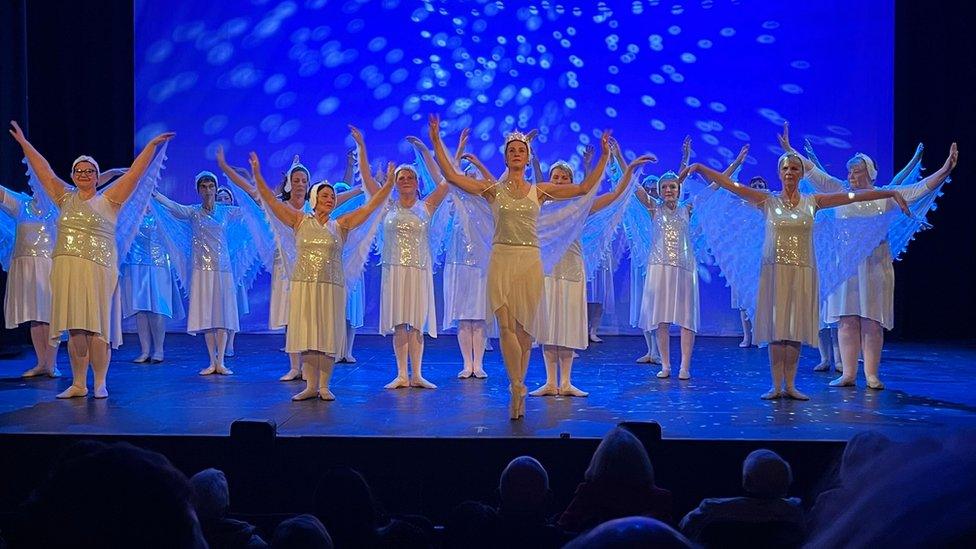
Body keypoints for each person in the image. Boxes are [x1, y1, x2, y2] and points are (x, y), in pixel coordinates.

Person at [690, 138, 915, 400]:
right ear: (779, 173)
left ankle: (791, 385)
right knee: (777, 331)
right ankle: (776, 385)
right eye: (785, 169)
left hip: (802, 273)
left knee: (794, 329)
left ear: (800, 174)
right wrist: (699, 168)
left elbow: (853, 195)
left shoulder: (813, 201)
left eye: (794, 169)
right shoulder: (767, 201)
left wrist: (888, 192)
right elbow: (732, 186)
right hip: (774, 273)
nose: (789, 173)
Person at [429, 115, 612, 419]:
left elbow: (582, 189)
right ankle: (517, 387)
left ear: (528, 157)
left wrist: (604, 156)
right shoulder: (492, 190)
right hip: (502, 257)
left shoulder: (539, 191)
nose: (516, 154)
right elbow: (451, 175)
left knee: (525, 332)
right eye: (511, 150)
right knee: (505, 326)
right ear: (505, 157)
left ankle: (520, 384)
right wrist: (436, 139)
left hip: (529, 260)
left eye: (521, 150)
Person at [781, 128, 958, 390]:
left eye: (857, 171)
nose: (851, 175)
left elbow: (918, 189)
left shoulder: (885, 195)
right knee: (846, 319)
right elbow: (812, 172)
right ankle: (849, 373)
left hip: (874, 268)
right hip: (846, 269)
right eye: (849, 171)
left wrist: (945, 169)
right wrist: (790, 150)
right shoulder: (838, 190)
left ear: (869, 173)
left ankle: (872, 374)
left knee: (872, 321)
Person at [9, 120, 173, 399]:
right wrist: (25, 145)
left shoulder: (110, 200)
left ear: (98, 176)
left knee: (97, 329)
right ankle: (78, 383)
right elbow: (45, 172)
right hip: (67, 269)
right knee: (75, 329)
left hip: (98, 271)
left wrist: (151, 147)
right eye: (79, 170)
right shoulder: (63, 198)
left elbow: (134, 174)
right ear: (73, 175)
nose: (84, 174)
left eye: (90, 171)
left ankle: (99, 382)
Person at [249, 152, 393, 400]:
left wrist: (388, 184)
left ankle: (324, 386)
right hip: (305, 286)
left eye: (332, 196)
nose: (329, 199)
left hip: (330, 288)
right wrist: (257, 175)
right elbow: (270, 204)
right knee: (308, 336)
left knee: (325, 336)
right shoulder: (299, 220)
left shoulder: (341, 224)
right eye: (325, 195)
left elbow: (370, 208)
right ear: (314, 199)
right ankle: (310, 386)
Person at [531, 150, 653, 396]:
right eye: (555, 177)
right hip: (546, 269)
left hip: (571, 268)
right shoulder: (539, 204)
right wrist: (533, 160)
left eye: (564, 178)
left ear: (572, 181)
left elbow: (614, 195)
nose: (559, 181)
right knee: (548, 327)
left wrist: (629, 170)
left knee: (565, 326)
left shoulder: (581, 205)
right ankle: (549, 382)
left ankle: (565, 382)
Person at [350, 125, 449, 390]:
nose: (405, 181)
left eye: (409, 178)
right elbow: (369, 183)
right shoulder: (388, 206)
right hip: (394, 270)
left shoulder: (426, 206)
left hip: (418, 270)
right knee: (399, 323)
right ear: (395, 183)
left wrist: (426, 150)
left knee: (416, 322)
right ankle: (401, 374)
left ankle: (416, 374)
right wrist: (361, 147)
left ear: (417, 183)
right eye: (400, 178)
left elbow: (444, 182)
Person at [153, 170, 264, 376]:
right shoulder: (193, 212)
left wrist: (270, 195)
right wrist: (154, 193)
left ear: (215, 188)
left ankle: (221, 361)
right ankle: (212, 361)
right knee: (207, 317)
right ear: (198, 190)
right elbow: (172, 207)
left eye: (211, 186)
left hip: (222, 271)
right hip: (202, 272)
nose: (208, 190)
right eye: (203, 187)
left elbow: (251, 209)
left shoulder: (226, 212)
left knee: (222, 316)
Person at [0, 176, 61, 377]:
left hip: (50, 267)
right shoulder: (21, 205)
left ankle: (51, 364)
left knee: (51, 316)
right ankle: (41, 362)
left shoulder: (59, 208)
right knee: (35, 317)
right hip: (26, 267)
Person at [558, 427, 673, 532]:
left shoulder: (588, 493)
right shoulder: (659, 499)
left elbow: (563, 529)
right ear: (642, 462)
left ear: (599, 461)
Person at [679, 449, 804, 545]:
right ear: (788, 481)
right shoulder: (794, 513)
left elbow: (684, 530)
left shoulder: (711, 510)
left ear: (747, 481)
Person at [121, 203, 184, 365]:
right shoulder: (131, 214)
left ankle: (159, 349)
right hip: (136, 265)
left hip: (159, 265)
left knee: (158, 309)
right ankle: (144, 350)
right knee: (141, 310)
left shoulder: (162, 214)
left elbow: (175, 232)